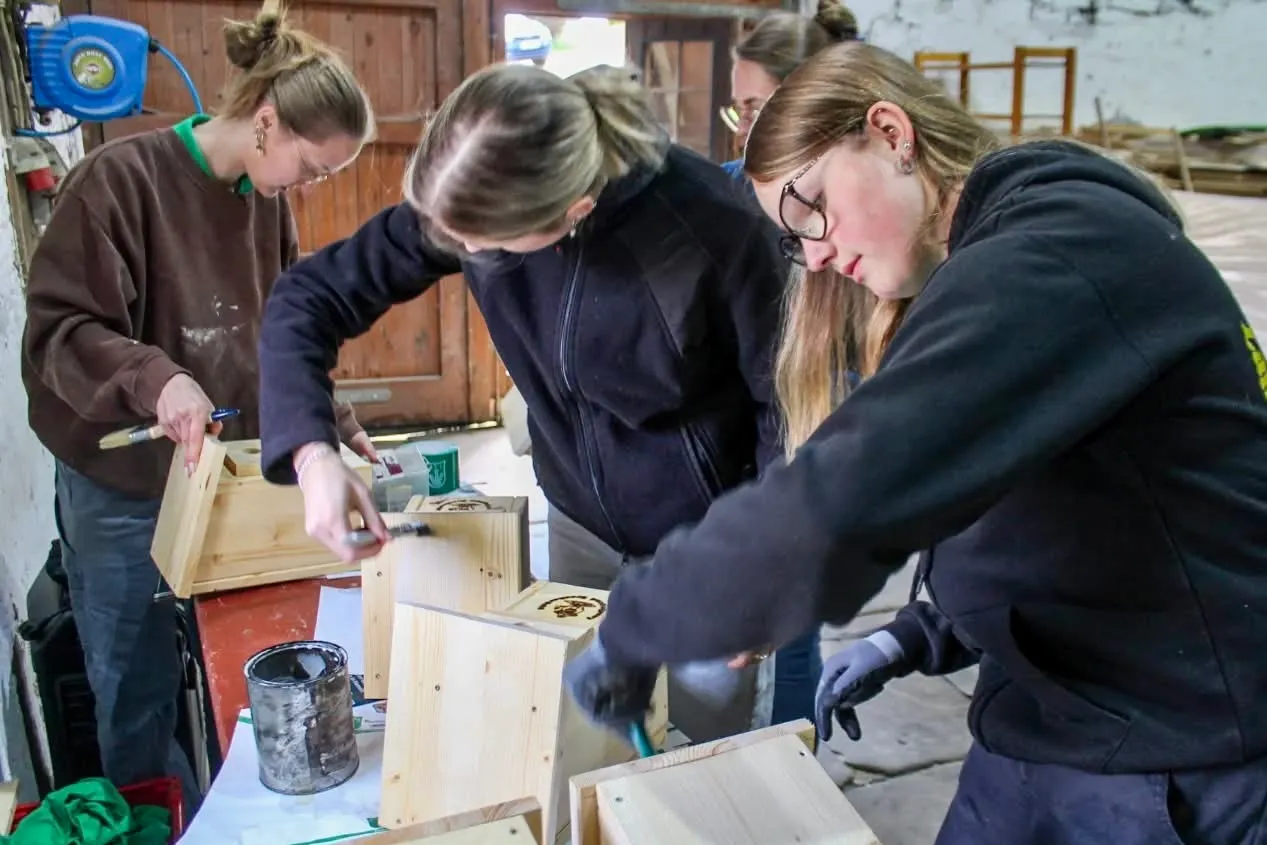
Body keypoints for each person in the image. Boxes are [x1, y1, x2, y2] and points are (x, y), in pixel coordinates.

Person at [563, 41, 1267, 845]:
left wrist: (643, 622)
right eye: (793, 238)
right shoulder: (994, 259)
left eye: (810, 206)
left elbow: (848, 494)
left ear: (890, 133)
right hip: (1052, 712)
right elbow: (1050, 500)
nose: (816, 251)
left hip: (1175, 750)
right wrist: (923, 628)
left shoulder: (1059, 255)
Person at [255, 62, 790, 743]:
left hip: (706, 541)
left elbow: (791, 403)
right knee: (583, 740)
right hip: (579, 518)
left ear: (575, 213)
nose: (466, 255)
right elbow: (308, 298)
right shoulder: (471, 200)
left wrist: (763, 564)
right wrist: (310, 452)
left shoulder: (714, 227)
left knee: (699, 763)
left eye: (487, 248)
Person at [22, 2, 374, 812]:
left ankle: (239, 816)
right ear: (264, 122)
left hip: (225, 476)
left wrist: (333, 420)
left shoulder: (263, 203)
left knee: (243, 658)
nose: (311, 186)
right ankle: (155, 820)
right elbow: (58, 331)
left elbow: (286, 333)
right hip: (124, 484)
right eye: (312, 166)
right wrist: (157, 377)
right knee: (133, 683)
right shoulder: (119, 181)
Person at [717, 0, 862, 727]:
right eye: (735, 108)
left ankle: (792, 753)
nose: (743, 126)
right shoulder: (723, 185)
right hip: (742, 424)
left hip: (802, 420)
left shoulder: (844, 214)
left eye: (754, 105)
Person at [721, 0, 858, 172]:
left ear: (809, 105)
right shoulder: (723, 186)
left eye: (754, 108)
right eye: (738, 110)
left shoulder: (855, 188)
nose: (740, 130)